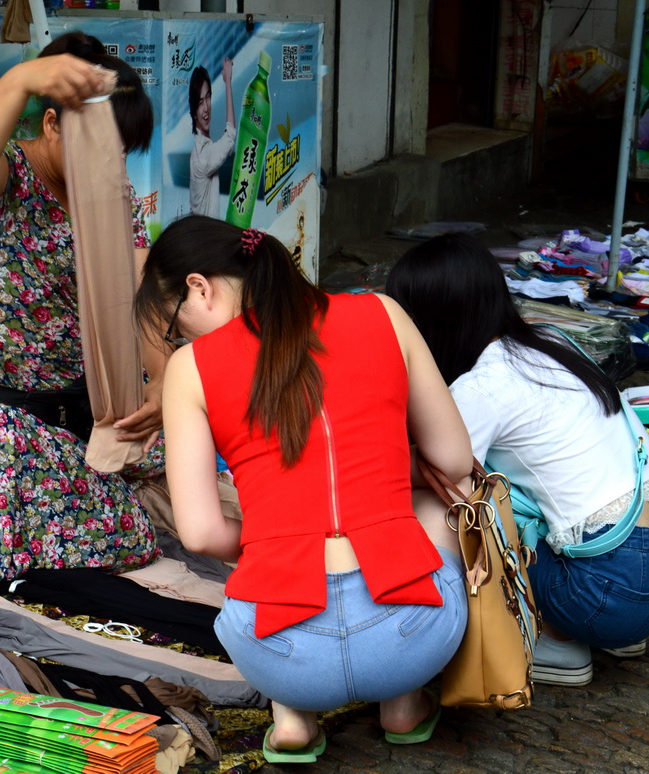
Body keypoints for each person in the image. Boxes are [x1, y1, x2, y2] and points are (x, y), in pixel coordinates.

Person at [134, 215, 472, 763]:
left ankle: (292, 716)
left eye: (175, 323)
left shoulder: (191, 368)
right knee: (436, 499)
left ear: (201, 287)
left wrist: (278, 540)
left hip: (280, 654)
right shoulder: (382, 313)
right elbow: (455, 461)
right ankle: (404, 702)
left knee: (251, 547)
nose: (183, 337)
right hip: (412, 637)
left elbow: (198, 533)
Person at [385, 233, 649, 687]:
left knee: (460, 504)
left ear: (429, 321)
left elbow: (441, 468)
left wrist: (353, 458)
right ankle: (615, 630)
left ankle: (556, 641)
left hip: (612, 590)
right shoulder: (552, 341)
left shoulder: (481, 387)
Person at [0, 32, 165, 581]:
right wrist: (22, 78)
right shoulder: (10, 181)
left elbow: (142, 290)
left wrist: (162, 381)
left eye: (121, 152)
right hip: (6, 422)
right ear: (53, 125)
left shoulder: (109, 193)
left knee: (135, 533)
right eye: (103, 146)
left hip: (89, 407)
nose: (114, 163)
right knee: (30, 562)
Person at [188, 59, 235, 218]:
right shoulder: (204, 155)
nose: (206, 108)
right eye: (200, 102)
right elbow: (230, 135)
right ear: (194, 111)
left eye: (208, 97)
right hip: (205, 236)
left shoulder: (198, 147)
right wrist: (228, 82)